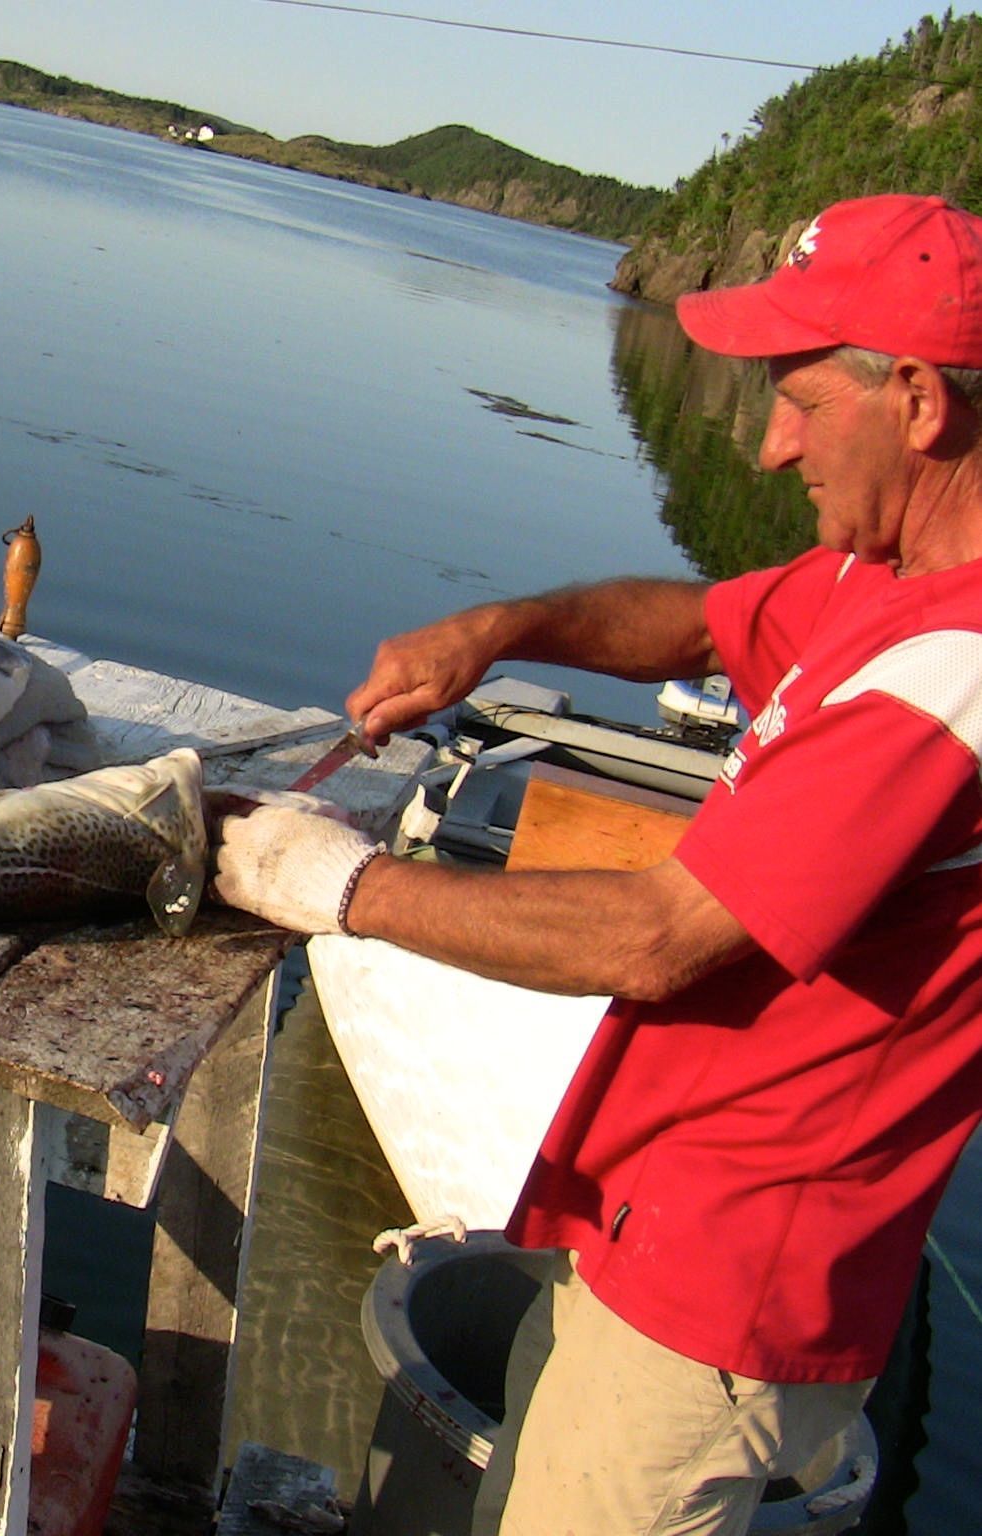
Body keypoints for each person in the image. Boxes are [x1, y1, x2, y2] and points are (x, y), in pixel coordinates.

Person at [211, 193, 982, 1536]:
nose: (767, 445)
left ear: (915, 398)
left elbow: (656, 936)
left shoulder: (956, 670)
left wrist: (333, 883)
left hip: (725, 1302)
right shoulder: (888, 574)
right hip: (654, 1224)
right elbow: (701, 627)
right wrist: (502, 628)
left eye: (798, 397)